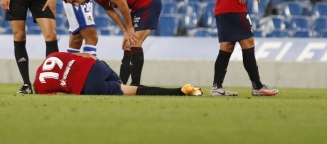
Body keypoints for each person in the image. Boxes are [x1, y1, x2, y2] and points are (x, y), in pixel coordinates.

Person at [62, 0, 161, 86]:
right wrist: (125, 31)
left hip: (148, 1)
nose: (77, 4)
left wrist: (129, 28)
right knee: (128, 45)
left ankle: (135, 86)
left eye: (74, 0)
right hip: (137, 6)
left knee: (135, 42)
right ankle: (121, 84)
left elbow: (121, 2)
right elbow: (110, 10)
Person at [33, 51, 203, 96]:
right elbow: (88, 55)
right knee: (125, 86)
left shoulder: (40, 88)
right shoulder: (52, 56)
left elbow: (62, 94)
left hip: (89, 84)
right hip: (98, 67)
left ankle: (180, 90)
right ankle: (184, 89)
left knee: (132, 91)